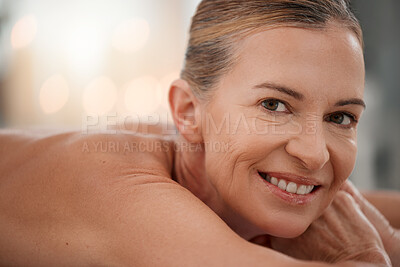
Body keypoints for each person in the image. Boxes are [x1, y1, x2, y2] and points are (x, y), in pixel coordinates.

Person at [0, 0, 399, 266]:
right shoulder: (123, 192)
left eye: (341, 117)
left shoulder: (239, 167)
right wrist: (360, 252)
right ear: (189, 112)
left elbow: (367, 212)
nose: (314, 155)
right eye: (274, 106)